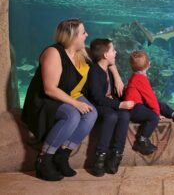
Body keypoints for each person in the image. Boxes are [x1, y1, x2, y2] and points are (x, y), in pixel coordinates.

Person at [21, 19, 101, 181]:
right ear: (73, 36)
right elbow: (49, 89)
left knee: (92, 113)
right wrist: (76, 103)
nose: (87, 35)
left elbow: (105, 55)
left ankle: (63, 155)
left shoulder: (80, 53)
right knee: (72, 115)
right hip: (44, 100)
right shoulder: (53, 53)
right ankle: (44, 159)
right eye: (83, 32)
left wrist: (114, 71)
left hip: (66, 95)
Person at [124, 50, 174, 155]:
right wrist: (157, 113)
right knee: (153, 116)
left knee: (161, 104)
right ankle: (141, 140)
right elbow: (150, 98)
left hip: (137, 105)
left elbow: (147, 99)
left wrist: (156, 108)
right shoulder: (140, 78)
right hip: (133, 109)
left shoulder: (136, 76)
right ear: (148, 64)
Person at [87, 38, 133, 177]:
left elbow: (113, 94)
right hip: (98, 105)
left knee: (125, 115)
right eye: (113, 50)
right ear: (105, 55)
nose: (116, 52)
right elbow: (97, 98)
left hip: (108, 103)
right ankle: (100, 156)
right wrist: (119, 104)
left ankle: (116, 155)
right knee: (111, 116)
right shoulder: (94, 71)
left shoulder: (108, 70)